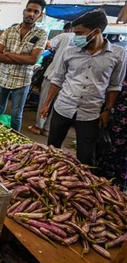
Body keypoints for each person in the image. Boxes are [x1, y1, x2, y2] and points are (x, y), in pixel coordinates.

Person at [40, 10, 126, 165]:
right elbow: (58, 79)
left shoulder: (118, 55)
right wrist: (47, 103)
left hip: (90, 112)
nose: (76, 37)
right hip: (63, 106)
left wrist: (107, 110)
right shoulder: (70, 52)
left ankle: (83, 185)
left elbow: (114, 85)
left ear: (97, 31)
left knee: (86, 155)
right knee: (52, 148)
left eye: (80, 33)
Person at [0, 0, 48, 132]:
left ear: (40, 15)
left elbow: (33, 60)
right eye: (29, 10)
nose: (31, 14)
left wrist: (9, 54)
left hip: (22, 81)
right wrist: (23, 58)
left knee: (16, 115)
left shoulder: (41, 34)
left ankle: (14, 140)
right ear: (24, 11)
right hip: (3, 78)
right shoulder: (9, 31)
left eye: (36, 12)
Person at [28, 22, 74, 135]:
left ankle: (38, 126)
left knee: (45, 101)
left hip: (54, 75)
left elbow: (48, 44)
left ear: (67, 29)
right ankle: (47, 129)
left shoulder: (64, 36)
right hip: (69, 80)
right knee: (56, 104)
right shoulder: (85, 40)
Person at [96, 77, 127, 192]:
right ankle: (99, 184)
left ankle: (115, 189)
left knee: (121, 157)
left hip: (121, 124)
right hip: (116, 119)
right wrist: (106, 110)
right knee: (106, 148)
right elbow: (113, 90)